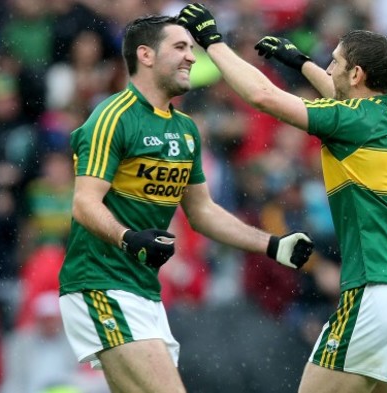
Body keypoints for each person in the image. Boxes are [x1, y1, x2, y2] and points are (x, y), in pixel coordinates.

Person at [177, 4, 387, 392]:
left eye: (333, 62)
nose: (328, 68)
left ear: (356, 73)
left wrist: (213, 42)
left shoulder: (349, 121)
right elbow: (348, 100)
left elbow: (263, 96)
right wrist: (301, 63)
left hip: (378, 292)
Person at [58, 15, 314, 393]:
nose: (191, 57)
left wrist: (272, 245)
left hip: (144, 291)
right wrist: (128, 238)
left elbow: (203, 212)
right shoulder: (111, 118)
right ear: (145, 55)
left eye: (192, 49)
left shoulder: (186, 129)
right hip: (101, 283)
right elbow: (84, 203)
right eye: (180, 47)